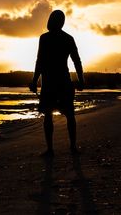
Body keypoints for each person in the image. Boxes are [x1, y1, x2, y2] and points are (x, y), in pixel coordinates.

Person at [29, 10, 84, 157]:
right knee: (69, 115)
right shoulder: (68, 38)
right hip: (63, 81)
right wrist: (81, 79)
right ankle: (71, 147)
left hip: (50, 82)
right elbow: (77, 61)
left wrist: (34, 81)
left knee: (50, 115)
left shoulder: (45, 38)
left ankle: (51, 149)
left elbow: (39, 61)